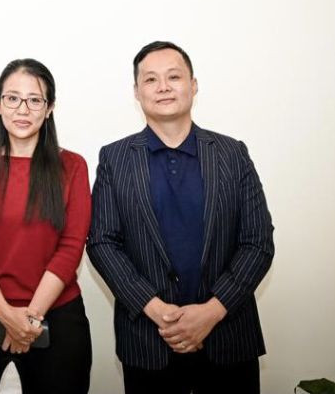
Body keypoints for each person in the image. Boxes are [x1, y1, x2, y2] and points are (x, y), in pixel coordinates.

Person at [87, 41, 275, 394]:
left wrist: (212, 311)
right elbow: (102, 242)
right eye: (151, 79)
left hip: (229, 336)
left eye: (174, 76)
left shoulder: (233, 153)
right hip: (148, 339)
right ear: (136, 92)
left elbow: (258, 241)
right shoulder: (114, 158)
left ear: (194, 84)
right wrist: (156, 310)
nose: (163, 87)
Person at [0, 59, 93, 394]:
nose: (23, 109)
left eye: (35, 100)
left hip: (59, 318)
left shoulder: (72, 166)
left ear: (49, 109)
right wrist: (5, 314)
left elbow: (71, 246)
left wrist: (30, 319)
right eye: (12, 98)